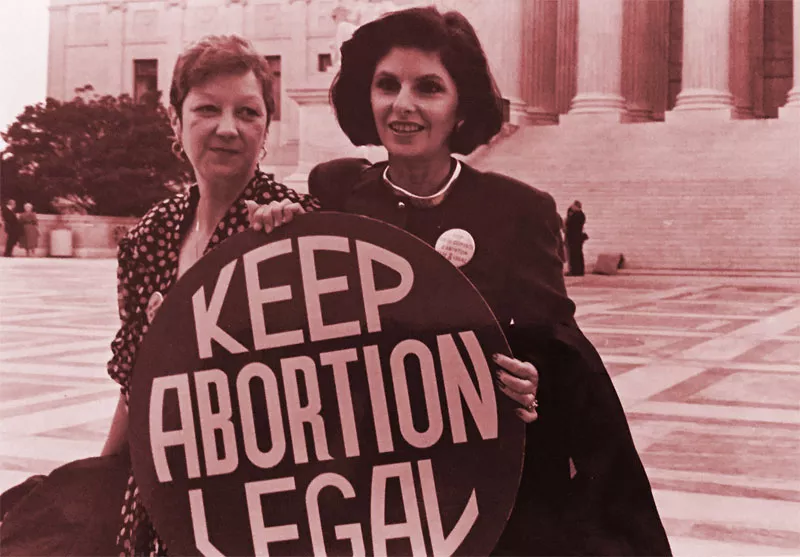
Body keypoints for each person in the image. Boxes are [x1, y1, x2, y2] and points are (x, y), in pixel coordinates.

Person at [258, 7, 671, 556]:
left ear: (461, 108)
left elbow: (559, 353)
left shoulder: (519, 210)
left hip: (486, 495)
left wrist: (534, 381)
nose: (403, 105)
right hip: (372, 497)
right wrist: (274, 232)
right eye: (387, 85)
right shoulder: (336, 192)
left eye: (428, 87)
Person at [0, 34, 319, 556]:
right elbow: (135, 382)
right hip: (159, 484)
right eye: (207, 110)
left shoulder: (290, 223)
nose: (227, 128)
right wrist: (103, 476)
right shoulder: (154, 232)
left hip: (258, 496)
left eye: (248, 112)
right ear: (176, 121)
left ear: (266, 128)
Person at [565, 200, 587, 276]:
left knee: (574, 255)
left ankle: (575, 271)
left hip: (574, 238)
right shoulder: (581, 215)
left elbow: (569, 224)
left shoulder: (577, 215)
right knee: (577, 254)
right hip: (577, 237)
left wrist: (569, 213)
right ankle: (579, 271)